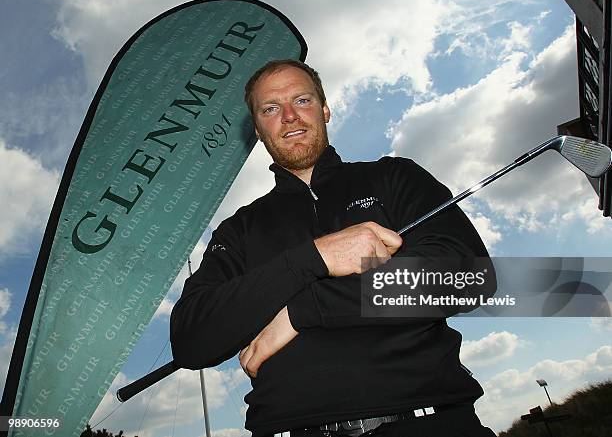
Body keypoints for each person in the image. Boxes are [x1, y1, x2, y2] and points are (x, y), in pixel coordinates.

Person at [170, 59, 497, 437]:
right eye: (271, 109)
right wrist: (313, 259)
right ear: (258, 129)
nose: (290, 116)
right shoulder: (238, 229)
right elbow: (191, 340)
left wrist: (302, 310)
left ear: (324, 109)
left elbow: (465, 276)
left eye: (302, 100)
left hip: (431, 422)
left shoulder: (393, 176)